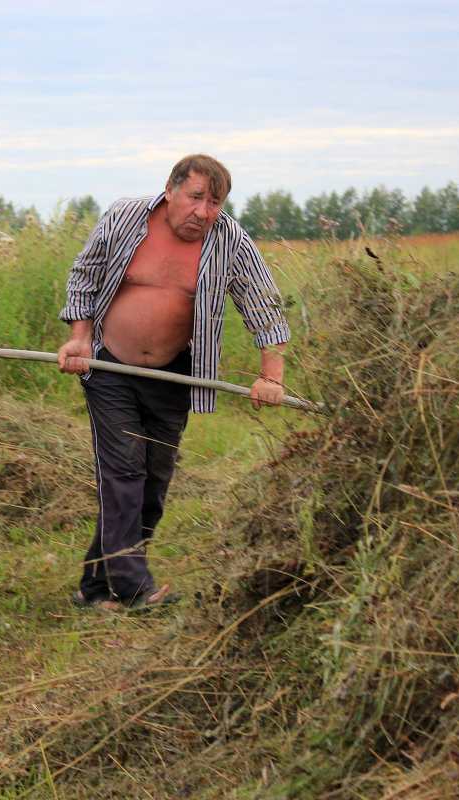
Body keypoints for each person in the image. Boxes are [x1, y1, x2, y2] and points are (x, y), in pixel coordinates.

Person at [57, 154, 291, 612]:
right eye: (196, 197)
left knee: (153, 483)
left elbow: (263, 305)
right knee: (124, 470)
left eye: (215, 202)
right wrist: (80, 338)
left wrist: (271, 375)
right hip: (109, 368)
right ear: (170, 190)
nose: (203, 212)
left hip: (173, 373)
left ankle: (96, 587)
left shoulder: (230, 241)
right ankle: (133, 586)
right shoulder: (125, 218)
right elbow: (84, 277)